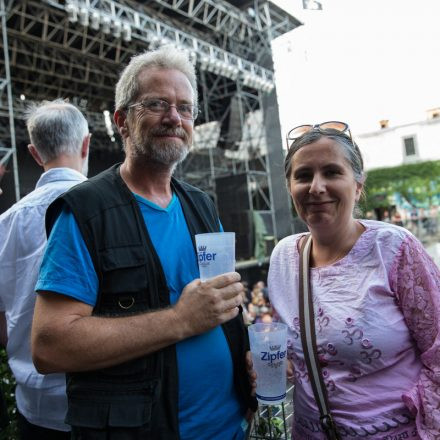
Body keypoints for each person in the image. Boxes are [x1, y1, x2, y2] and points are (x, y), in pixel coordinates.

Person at [31, 46, 256, 440]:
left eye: (185, 108)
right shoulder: (86, 211)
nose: (174, 118)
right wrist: (179, 320)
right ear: (121, 120)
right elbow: (50, 346)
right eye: (157, 104)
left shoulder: (201, 204)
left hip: (232, 427)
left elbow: (222, 308)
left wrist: (247, 352)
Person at [266, 122, 440, 439]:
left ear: (358, 185)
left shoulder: (395, 248)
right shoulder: (283, 258)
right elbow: (293, 349)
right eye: (303, 176)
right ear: (290, 187)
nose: (316, 187)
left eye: (332, 172)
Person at [0, 99, 90, 439]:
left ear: (35, 154)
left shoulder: (4, 225)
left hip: (34, 410)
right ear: (86, 144)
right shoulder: (111, 210)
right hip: (101, 405)